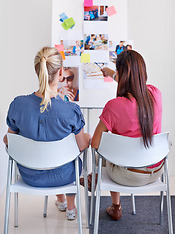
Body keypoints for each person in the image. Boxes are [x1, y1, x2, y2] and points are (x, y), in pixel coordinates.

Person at [3, 47, 91, 220]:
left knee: (50, 155)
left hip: (29, 176)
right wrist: (87, 138)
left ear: (37, 71)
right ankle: (71, 207)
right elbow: (81, 145)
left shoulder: (18, 105)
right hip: (64, 176)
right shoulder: (71, 111)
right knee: (71, 159)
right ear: (60, 72)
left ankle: (61, 201)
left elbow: (8, 140)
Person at [91, 49, 163, 221]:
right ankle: (92, 179)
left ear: (120, 74)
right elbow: (135, 86)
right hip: (155, 171)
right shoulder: (156, 94)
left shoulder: (114, 106)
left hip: (129, 175)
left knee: (100, 151)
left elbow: (95, 143)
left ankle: (116, 206)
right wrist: (113, 74)